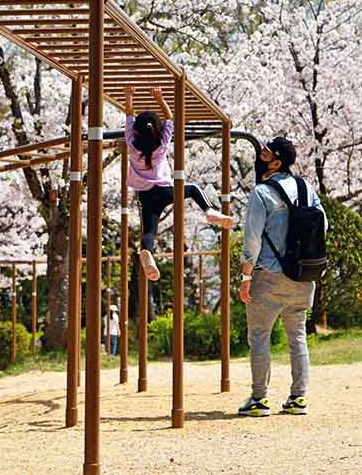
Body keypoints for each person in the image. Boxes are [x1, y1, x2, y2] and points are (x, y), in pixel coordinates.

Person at [237, 137, 327, 418]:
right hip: (303, 275)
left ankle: (259, 399)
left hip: (269, 276)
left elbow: (252, 238)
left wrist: (245, 276)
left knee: (260, 335)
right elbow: (322, 224)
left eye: (265, 153)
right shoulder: (307, 187)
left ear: (276, 162)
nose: (259, 156)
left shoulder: (262, 192)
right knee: (297, 335)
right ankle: (299, 398)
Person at [124, 85, 237, 281]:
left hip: (146, 195)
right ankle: (209, 211)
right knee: (192, 189)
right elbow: (170, 120)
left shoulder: (131, 144)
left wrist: (129, 97)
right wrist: (160, 98)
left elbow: (129, 116)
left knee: (150, 229)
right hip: (166, 191)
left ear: (136, 132)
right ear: (157, 131)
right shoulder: (162, 144)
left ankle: (147, 251)